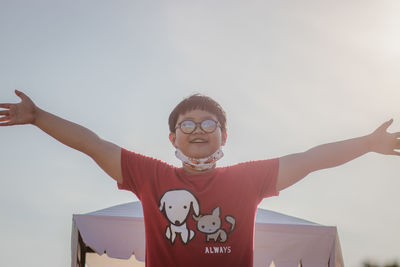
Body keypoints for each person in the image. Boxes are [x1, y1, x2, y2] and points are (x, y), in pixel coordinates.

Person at [0, 90, 399, 267]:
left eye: (209, 123)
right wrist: (38, 118)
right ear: (171, 137)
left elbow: (310, 159)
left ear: (224, 136)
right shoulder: (150, 175)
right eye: (185, 123)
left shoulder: (249, 178)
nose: (197, 129)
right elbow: (94, 145)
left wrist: (367, 143)